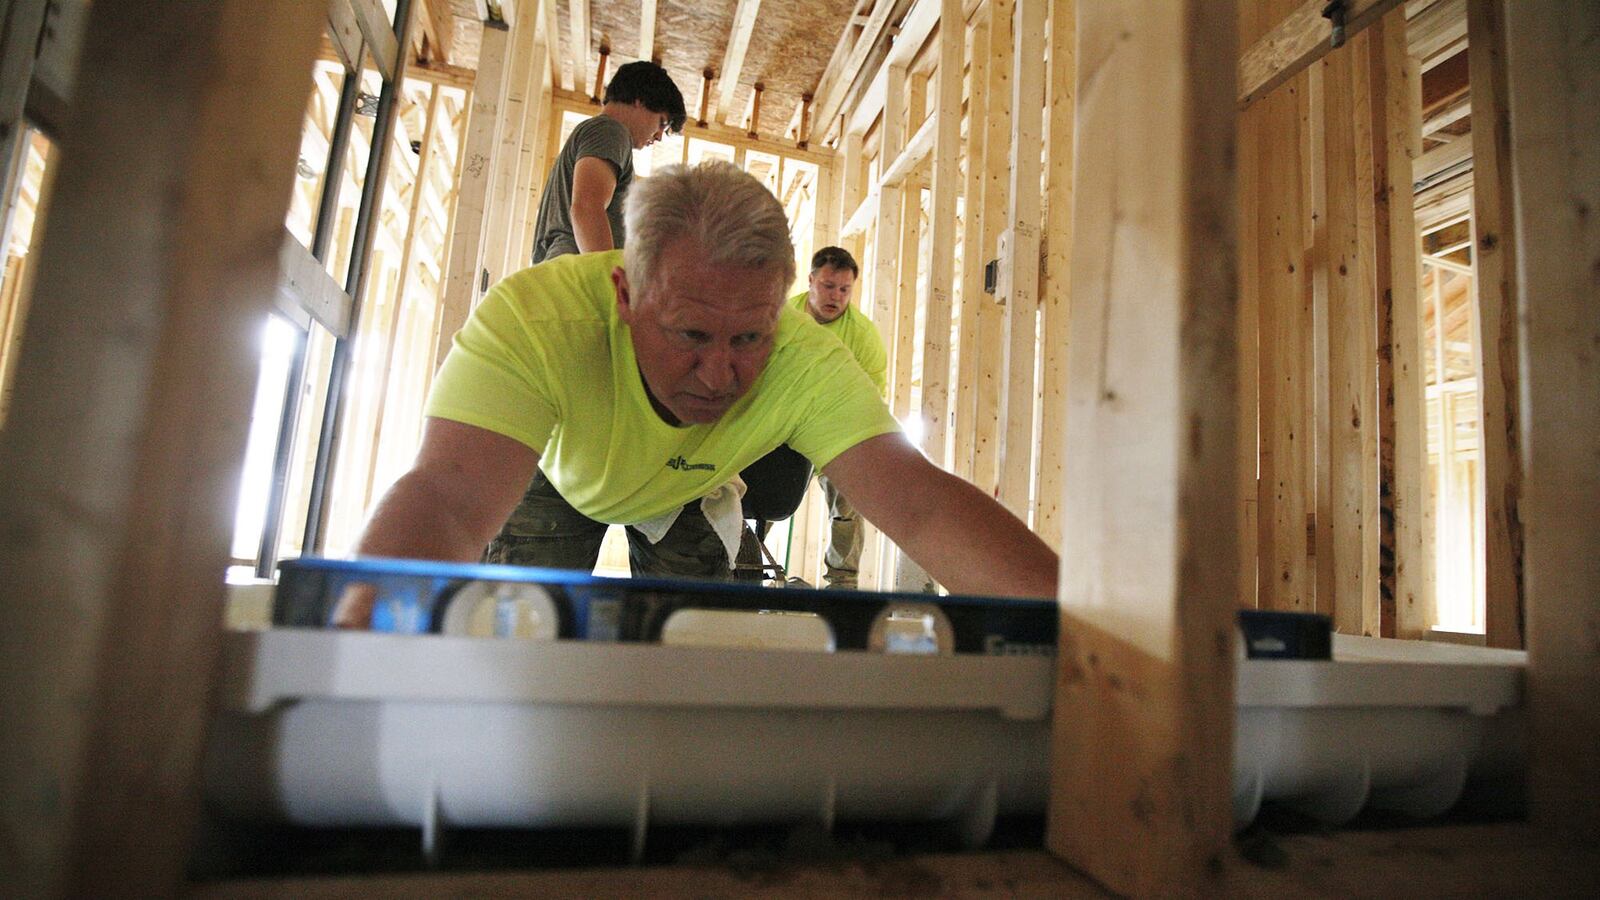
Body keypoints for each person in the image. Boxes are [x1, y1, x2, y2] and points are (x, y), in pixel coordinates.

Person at [333, 162, 1056, 627]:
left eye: (748, 340)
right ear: (624, 292)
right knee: (518, 630)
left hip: (686, 492)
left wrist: (1095, 645)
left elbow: (923, 507)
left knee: (696, 644)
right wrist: (362, 630)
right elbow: (448, 501)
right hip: (555, 476)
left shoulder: (806, 355)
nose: (718, 378)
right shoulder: (537, 321)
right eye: (688, 336)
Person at [787, 246, 884, 588]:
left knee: (850, 497)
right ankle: (742, 565)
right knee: (749, 489)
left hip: (834, 430)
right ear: (811, 280)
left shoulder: (863, 337)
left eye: (845, 290)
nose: (836, 297)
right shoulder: (781, 317)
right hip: (779, 423)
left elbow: (870, 400)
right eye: (828, 286)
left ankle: (843, 581)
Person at [528, 60, 686, 264]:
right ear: (640, 100)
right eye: (662, 122)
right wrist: (609, 280)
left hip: (564, 270)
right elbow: (586, 207)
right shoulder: (610, 131)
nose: (659, 137)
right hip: (577, 275)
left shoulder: (596, 133)